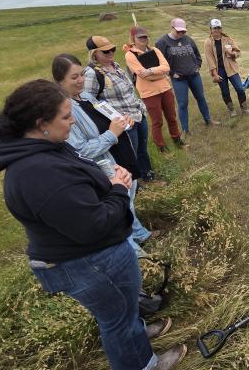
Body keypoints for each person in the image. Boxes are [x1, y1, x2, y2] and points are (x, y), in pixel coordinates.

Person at [0, 80, 186, 370]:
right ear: (41, 123)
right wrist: (118, 189)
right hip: (88, 263)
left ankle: (136, 330)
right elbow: (94, 225)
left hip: (92, 259)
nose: (72, 120)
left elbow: (80, 182)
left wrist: (108, 178)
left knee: (121, 309)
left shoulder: (44, 149)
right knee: (115, 318)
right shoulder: (38, 172)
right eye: (65, 116)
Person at [53, 53, 156, 255]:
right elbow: (81, 150)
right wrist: (112, 133)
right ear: (59, 81)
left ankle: (140, 235)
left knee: (128, 203)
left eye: (81, 74)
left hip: (122, 160)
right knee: (118, 209)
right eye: (74, 78)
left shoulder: (88, 97)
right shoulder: (65, 111)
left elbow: (109, 119)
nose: (81, 80)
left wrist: (123, 121)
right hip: (107, 168)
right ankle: (137, 257)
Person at [83, 36, 155, 182]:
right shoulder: (92, 73)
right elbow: (89, 102)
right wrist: (115, 118)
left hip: (138, 115)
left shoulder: (115, 65)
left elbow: (129, 90)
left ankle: (148, 176)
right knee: (130, 155)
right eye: (105, 52)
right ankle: (133, 185)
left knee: (142, 149)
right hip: (124, 123)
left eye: (112, 49)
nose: (110, 53)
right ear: (94, 54)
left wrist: (140, 106)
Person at [124, 26, 185, 151]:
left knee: (172, 117)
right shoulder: (130, 55)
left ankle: (177, 139)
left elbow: (166, 67)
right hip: (149, 93)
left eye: (145, 36)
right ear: (133, 39)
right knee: (157, 121)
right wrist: (159, 73)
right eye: (140, 37)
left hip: (165, 88)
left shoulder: (155, 50)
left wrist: (151, 71)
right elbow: (141, 73)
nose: (143, 39)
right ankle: (161, 146)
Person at [154, 17, 217, 135]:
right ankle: (185, 130)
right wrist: (172, 73)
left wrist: (197, 66)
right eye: (179, 31)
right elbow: (159, 62)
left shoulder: (188, 39)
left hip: (194, 75)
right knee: (182, 103)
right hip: (179, 79)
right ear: (172, 28)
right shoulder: (162, 42)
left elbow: (197, 54)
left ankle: (208, 120)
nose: (181, 34)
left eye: (183, 31)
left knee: (201, 98)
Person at [204, 19, 249, 116]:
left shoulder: (227, 39)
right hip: (219, 70)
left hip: (231, 67)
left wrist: (232, 53)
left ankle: (244, 108)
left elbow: (238, 52)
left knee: (240, 88)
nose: (217, 30)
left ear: (221, 28)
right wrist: (215, 74)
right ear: (211, 29)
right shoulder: (208, 42)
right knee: (225, 91)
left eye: (219, 28)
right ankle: (231, 110)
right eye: (215, 28)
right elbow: (210, 59)